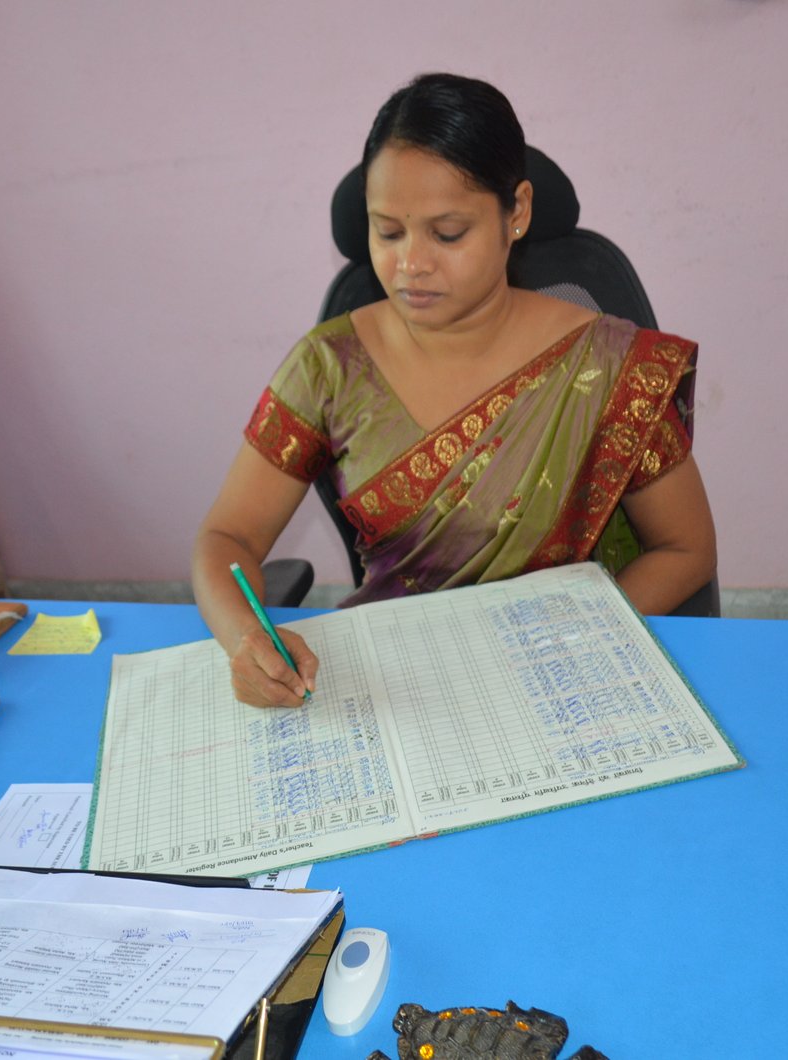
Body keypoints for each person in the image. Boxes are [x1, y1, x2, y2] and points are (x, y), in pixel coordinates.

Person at [192, 72, 716, 708]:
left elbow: (685, 548)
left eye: (447, 234)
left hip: (561, 681)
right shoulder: (329, 366)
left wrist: (575, 645)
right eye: (388, 232)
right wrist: (247, 639)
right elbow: (228, 538)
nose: (411, 264)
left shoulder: (609, 365)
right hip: (398, 692)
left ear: (516, 213)